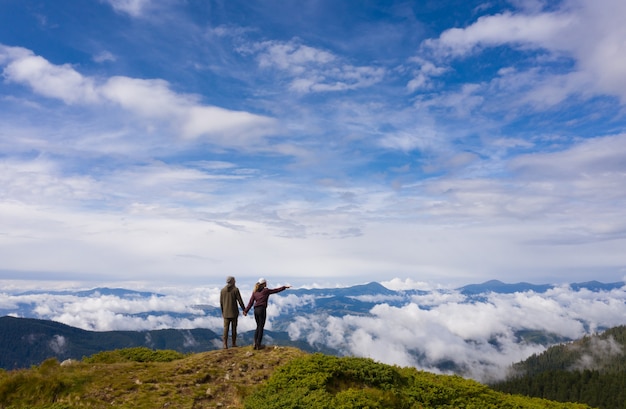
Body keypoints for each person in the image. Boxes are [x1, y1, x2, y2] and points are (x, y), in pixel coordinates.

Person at [243, 278, 291, 350]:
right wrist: (284, 287)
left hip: (256, 310)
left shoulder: (255, 292)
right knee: (261, 327)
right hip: (262, 310)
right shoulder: (265, 290)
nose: (267, 283)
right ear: (264, 283)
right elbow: (275, 290)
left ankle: (255, 343)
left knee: (258, 326)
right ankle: (258, 345)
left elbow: (251, 302)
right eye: (266, 282)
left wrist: (246, 311)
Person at [220, 276, 245, 349]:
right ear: (232, 281)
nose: (235, 281)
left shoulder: (222, 290)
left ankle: (225, 344)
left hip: (225, 313)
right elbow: (240, 301)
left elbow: (221, 302)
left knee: (225, 329)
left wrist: (223, 312)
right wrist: (244, 309)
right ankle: (234, 343)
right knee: (234, 329)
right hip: (234, 312)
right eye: (234, 280)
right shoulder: (235, 290)